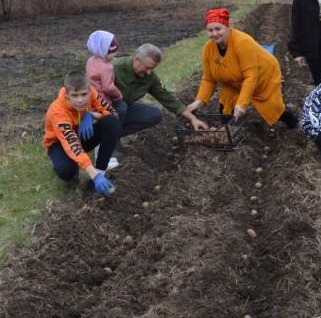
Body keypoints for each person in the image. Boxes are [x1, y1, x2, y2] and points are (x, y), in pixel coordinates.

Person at [184, 8, 298, 130]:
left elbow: (251, 76)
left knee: (272, 107)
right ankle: (226, 131)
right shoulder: (208, 49)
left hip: (263, 75)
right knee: (226, 103)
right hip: (233, 79)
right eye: (210, 30)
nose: (214, 34)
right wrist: (199, 101)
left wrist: (241, 103)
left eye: (218, 29)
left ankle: (295, 124)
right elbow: (208, 79)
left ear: (227, 27)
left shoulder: (243, 42)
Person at [42, 71, 120, 196]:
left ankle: (101, 170)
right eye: (75, 95)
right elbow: (72, 144)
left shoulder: (93, 93)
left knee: (112, 122)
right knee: (67, 172)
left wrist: (91, 115)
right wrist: (94, 175)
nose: (80, 100)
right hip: (59, 143)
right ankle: (59, 161)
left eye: (84, 94)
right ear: (67, 95)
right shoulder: (58, 112)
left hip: (82, 134)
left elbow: (113, 113)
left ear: (89, 90)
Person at [112, 43, 209, 137]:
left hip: (122, 110)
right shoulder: (114, 68)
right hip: (105, 110)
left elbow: (167, 98)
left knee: (154, 114)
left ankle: (114, 135)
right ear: (137, 59)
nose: (149, 72)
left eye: (152, 69)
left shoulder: (149, 78)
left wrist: (193, 119)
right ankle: (106, 136)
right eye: (147, 67)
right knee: (121, 106)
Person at [85, 30, 123, 170]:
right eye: (113, 52)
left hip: (90, 100)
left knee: (99, 127)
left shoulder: (91, 61)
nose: (115, 55)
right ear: (104, 51)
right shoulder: (106, 67)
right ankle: (102, 162)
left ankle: (99, 158)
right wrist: (118, 95)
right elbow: (108, 87)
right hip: (103, 102)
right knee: (109, 126)